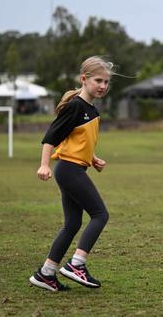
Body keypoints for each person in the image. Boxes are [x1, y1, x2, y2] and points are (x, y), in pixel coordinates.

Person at [29, 56, 113, 292]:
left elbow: (77, 140)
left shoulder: (91, 109)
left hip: (74, 167)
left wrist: (92, 158)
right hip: (68, 169)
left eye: (106, 82)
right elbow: (51, 137)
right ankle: (77, 264)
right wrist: (44, 165)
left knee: (73, 223)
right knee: (100, 214)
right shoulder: (76, 105)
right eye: (98, 80)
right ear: (83, 79)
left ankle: (46, 273)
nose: (103, 86)